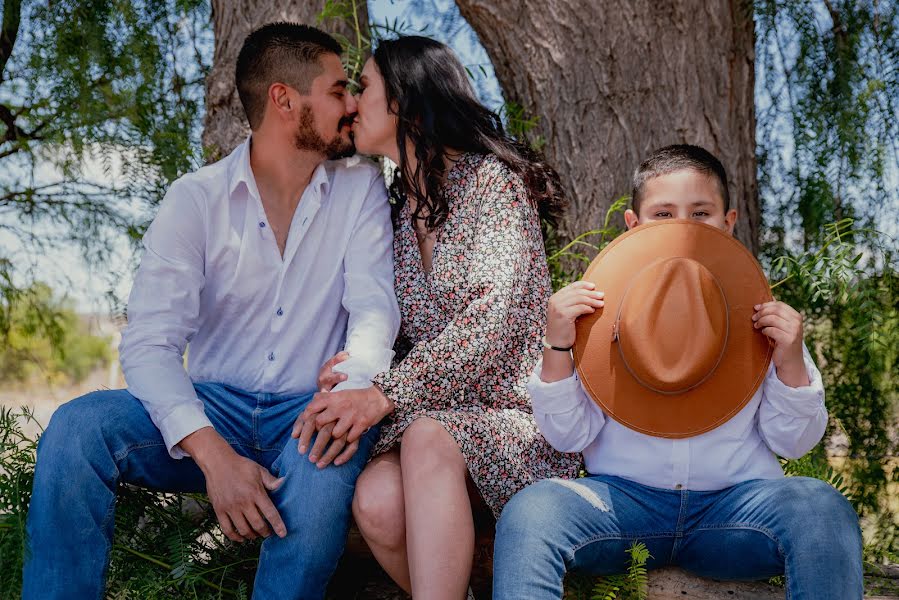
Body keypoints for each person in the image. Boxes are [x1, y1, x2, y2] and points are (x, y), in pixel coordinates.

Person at [22, 22, 399, 600]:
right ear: (284, 99)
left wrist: (352, 387)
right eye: (338, 90)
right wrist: (214, 458)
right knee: (76, 429)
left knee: (324, 472)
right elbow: (150, 344)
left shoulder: (359, 189)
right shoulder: (195, 200)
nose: (353, 104)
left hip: (308, 414)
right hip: (210, 407)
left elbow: (373, 306)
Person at [492, 144, 863, 600]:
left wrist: (788, 363)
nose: (683, 226)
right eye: (663, 214)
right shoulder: (598, 311)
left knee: (822, 509)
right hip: (621, 506)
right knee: (531, 513)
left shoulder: (759, 313)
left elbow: (793, 441)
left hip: (735, 511)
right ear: (634, 226)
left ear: (728, 223)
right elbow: (569, 437)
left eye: (700, 213)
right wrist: (558, 346)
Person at [297, 36, 581, 599]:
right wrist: (355, 372)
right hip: (432, 417)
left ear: (402, 101)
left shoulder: (492, 185)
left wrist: (384, 393)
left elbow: (487, 324)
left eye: (366, 87)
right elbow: (393, 328)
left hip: (518, 420)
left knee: (428, 437)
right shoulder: (400, 209)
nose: (353, 103)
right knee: (375, 501)